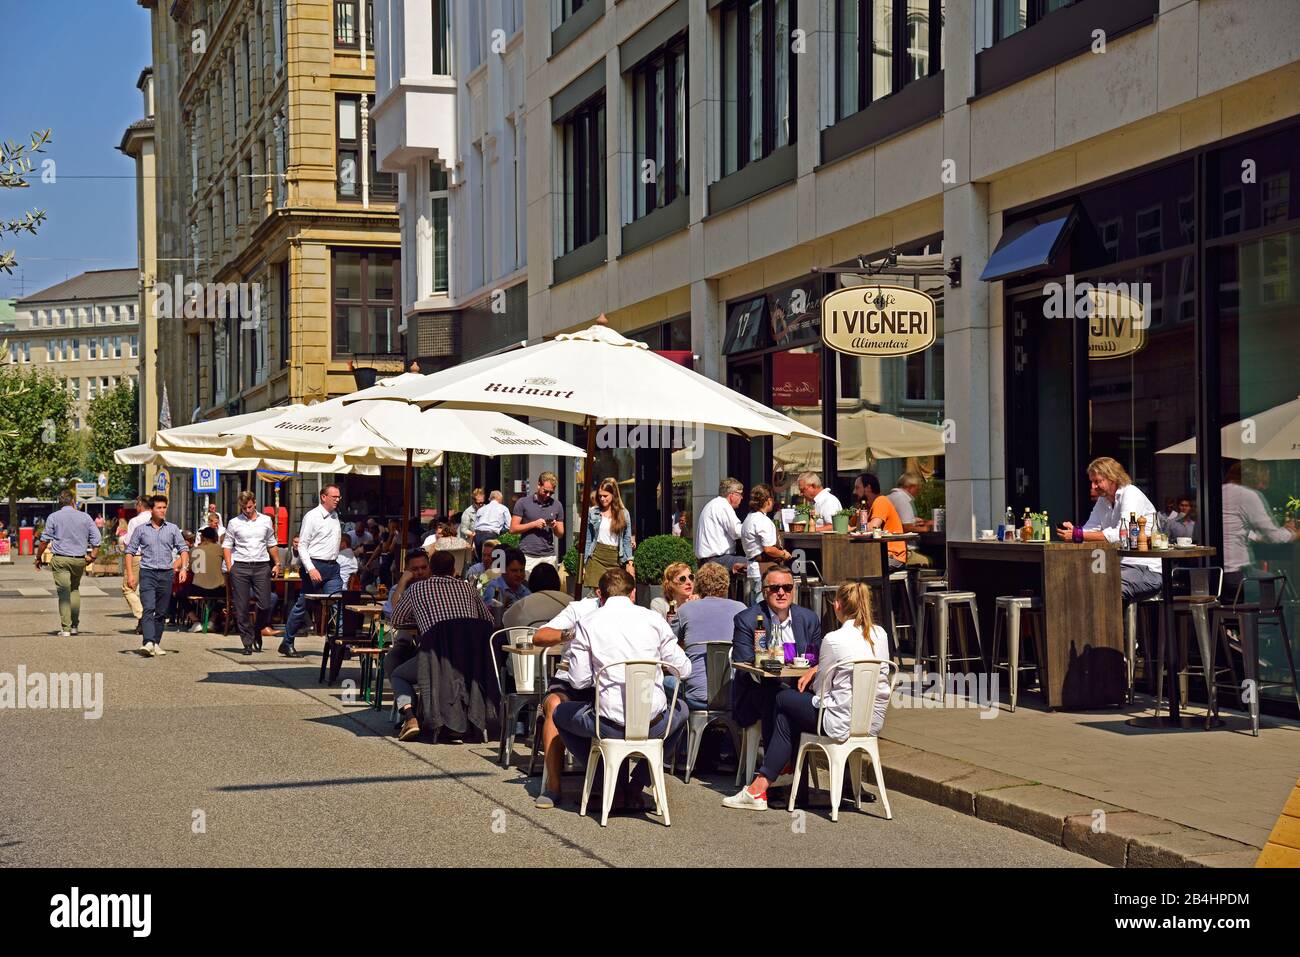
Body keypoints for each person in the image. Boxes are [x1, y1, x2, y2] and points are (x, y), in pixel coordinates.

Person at [724, 580, 889, 810]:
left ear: (837, 605)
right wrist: (816, 669)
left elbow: (821, 688)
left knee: (782, 701)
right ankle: (775, 783)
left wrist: (816, 673)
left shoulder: (834, 639)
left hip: (838, 719)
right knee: (787, 710)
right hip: (871, 721)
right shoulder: (880, 634)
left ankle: (769, 784)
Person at [552, 568, 692, 814]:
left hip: (608, 724)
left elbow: (578, 681)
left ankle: (607, 783)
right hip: (654, 723)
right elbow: (685, 669)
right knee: (680, 710)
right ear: (634, 593)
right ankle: (636, 784)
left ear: (601, 597)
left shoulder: (587, 622)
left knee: (560, 714)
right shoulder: (654, 619)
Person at [387, 551, 494, 740]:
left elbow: (396, 619)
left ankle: (410, 717)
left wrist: (404, 586)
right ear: (454, 570)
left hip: (436, 660)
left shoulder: (417, 589)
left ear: (431, 569)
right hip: (471, 661)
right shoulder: (468, 588)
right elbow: (487, 621)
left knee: (397, 674)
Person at [730, 565, 823, 756]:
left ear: (793, 590)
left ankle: (793, 770)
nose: (781, 593)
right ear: (764, 592)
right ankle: (782, 771)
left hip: (802, 687)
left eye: (787, 588)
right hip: (758, 691)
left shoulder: (808, 618)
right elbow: (743, 659)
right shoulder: (746, 619)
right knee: (776, 697)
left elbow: (818, 658)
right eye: (775, 588)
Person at [531, 579, 605, 808]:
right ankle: (553, 786)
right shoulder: (580, 608)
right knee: (553, 704)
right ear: (599, 592)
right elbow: (539, 637)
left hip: (608, 681)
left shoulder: (630, 614)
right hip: (569, 678)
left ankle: (611, 784)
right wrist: (572, 633)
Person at [1055, 456, 1162, 601]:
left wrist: (1078, 534)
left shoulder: (1131, 493)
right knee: (1074, 582)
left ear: (1113, 478)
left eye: (1097, 481)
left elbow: (1122, 534)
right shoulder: (1103, 500)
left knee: (1108, 586)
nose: (1093, 487)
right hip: (1115, 565)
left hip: (1145, 568)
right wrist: (1074, 531)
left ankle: (1112, 624)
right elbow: (1090, 531)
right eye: (1092, 482)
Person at [669, 561, 746, 711]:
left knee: (664, 682)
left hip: (694, 695)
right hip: (734, 694)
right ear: (726, 585)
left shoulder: (685, 609)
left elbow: (667, 645)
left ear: (699, 584)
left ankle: (681, 731)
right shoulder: (741, 609)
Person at [282, 484, 344, 658]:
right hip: (315, 565)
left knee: (337, 605)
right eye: (334, 497)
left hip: (332, 567)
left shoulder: (335, 516)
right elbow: (302, 545)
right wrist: (311, 568)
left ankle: (341, 645)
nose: (337, 500)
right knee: (303, 606)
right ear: (323, 497)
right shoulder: (312, 516)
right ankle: (287, 642)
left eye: (339, 497)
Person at [125, 494, 190, 657]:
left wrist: (183, 568)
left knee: (161, 611)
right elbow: (129, 552)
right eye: (159, 508)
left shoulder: (173, 529)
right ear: (152, 510)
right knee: (149, 607)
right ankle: (147, 641)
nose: (162, 510)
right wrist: (131, 575)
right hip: (147, 572)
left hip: (166, 574)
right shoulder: (141, 530)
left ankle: (156, 642)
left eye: (164, 507)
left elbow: (183, 549)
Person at [1221, 462, 1296, 597]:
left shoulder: (1219, 491)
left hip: (1215, 574)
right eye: (1262, 482)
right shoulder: (1246, 495)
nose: (1263, 487)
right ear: (1250, 478)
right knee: (1278, 586)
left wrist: (1259, 537)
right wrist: (1294, 534)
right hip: (1236, 574)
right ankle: (1267, 618)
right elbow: (1276, 537)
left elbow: (1233, 529)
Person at [36, 489, 102, 637]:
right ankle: (74, 626)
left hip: (60, 559)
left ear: (60, 503)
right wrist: (92, 557)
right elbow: (97, 539)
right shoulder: (85, 517)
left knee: (64, 593)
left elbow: (44, 540)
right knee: (74, 589)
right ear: (73, 501)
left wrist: (38, 557)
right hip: (79, 559)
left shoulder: (53, 517)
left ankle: (65, 628)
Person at [223, 490, 281, 654]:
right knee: (241, 607)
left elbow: (271, 543)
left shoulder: (266, 520)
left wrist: (277, 563)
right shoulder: (234, 522)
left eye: (249, 507)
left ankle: (257, 629)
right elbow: (227, 545)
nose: (247, 510)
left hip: (261, 565)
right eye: (243, 508)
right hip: (240, 566)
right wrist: (230, 567)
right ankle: (247, 642)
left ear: (254, 503)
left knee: (266, 602)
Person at [741, 484, 793, 605]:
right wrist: (783, 554)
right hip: (762, 568)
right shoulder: (762, 520)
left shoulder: (749, 518)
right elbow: (769, 549)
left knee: (756, 605)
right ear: (768, 500)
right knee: (763, 607)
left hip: (753, 566)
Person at [583, 477, 634, 592]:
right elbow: (588, 539)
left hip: (616, 558)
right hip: (597, 556)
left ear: (613, 494)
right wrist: (583, 563)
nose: (602, 499)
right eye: (600, 496)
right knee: (597, 595)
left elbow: (626, 540)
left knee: (615, 594)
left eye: (605, 496)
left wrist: (630, 562)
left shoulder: (624, 514)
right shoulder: (593, 512)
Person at [511, 471, 565, 574]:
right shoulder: (523, 502)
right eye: (545, 491)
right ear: (538, 485)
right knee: (528, 588)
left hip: (548, 556)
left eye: (551, 493)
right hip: (528, 555)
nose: (548, 495)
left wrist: (554, 526)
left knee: (548, 589)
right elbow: (513, 529)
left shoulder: (557, 505)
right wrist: (533, 524)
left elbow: (560, 533)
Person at [854, 473, 908, 567]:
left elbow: (872, 527)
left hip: (891, 555)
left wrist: (859, 518)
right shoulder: (865, 506)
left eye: (857, 488)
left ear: (868, 488)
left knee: (857, 564)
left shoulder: (881, 501)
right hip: (876, 553)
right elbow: (850, 527)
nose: (854, 492)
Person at [695, 477, 747, 571]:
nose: (742, 497)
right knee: (755, 565)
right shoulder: (723, 506)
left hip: (707, 559)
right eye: (740, 494)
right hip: (717, 560)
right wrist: (754, 528)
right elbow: (737, 531)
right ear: (732, 495)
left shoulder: (713, 504)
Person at [503, 563, 573, 629]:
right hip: (564, 640)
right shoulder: (571, 602)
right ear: (557, 581)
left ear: (532, 582)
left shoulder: (522, 604)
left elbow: (505, 621)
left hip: (530, 640)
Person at [119, 495, 153, 634]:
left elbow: (129, 541)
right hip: (154, 557)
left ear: (140, 505)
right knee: (147, 590)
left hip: (137, 557)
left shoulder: (135, 521)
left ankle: (142, 615)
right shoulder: (158, 519)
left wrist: (121, 537)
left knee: (128, 588)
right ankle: (143, 622)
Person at [184, 526, 228, 630]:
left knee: (178, 594)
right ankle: (212, 621)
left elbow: (191, 569)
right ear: (215, 537)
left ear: (202, 537)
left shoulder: (194, 550)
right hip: (217, 588)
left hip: (198, 587)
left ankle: (195, 621)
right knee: (227, 597)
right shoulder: (219, 549)